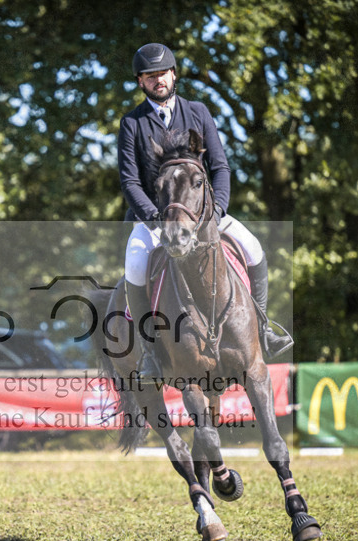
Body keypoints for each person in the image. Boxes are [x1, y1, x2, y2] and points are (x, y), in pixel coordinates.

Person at [117, 43, 293, 372]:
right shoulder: (132, 124)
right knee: (135, 265)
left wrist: (219, 209)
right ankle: (151, 352)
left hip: (205, 213)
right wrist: (157, 221)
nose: (159, 81)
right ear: (140, 82)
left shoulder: (197, 111)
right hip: (155, 219)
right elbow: (130, 182)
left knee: (253, 249)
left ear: (174, 75)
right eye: (150, 76)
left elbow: (221, 167)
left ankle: (264, 329)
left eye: (163, 74)